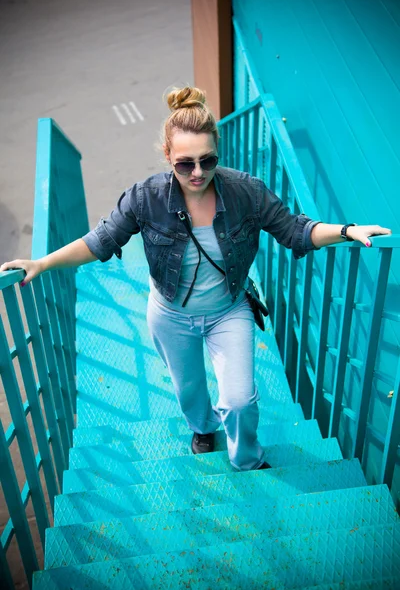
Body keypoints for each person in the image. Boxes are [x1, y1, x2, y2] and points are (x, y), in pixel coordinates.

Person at [0, 86, 392, 472]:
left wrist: (345, 230)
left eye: (208, 160)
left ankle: (247, 459)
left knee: (240, 400)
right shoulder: (145, 198)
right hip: (170, 314)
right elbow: (98, 241)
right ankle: (203, 428)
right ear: (167, 156)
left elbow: (295, 229)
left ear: (218, 152)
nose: (198, 172)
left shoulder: (246, 193)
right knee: (189, 391)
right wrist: (41, 263)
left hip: (228, 310)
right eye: (185, 163)